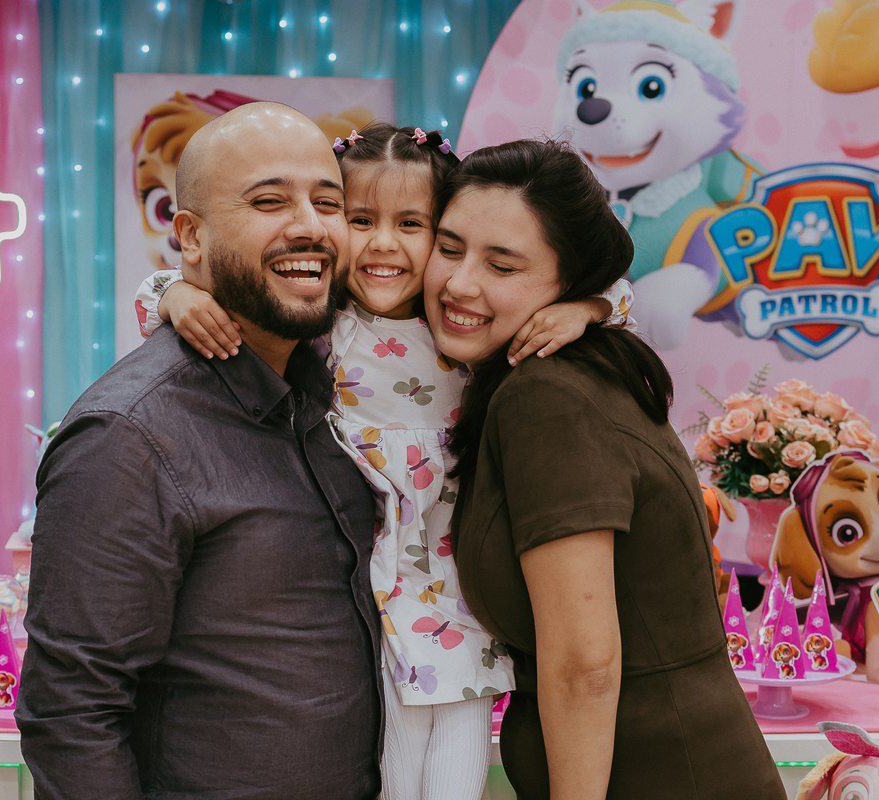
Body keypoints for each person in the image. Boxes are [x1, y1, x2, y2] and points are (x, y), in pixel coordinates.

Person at [134, 123, 633, 800]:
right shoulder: (321, 322)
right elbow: (163, 289)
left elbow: (619, 295)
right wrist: (179, 295)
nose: (383, 244)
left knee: (458, 765)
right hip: (366, 582)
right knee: (392, 769)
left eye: (412, 224)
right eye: (360, 219)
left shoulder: (457, 323)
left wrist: (586, 309)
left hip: (456, 581)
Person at [16, 102, 383, 800]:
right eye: (269, 201)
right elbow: (70, 715)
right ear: (190, 236)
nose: (310, 225)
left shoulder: (337, 391)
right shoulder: (130, 436)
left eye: (329, 202)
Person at [426, 139, 786, 799]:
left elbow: (584, 665)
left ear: (570, 282)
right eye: (448, 249)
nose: (459, 283)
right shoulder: (570, 367)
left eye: (501, 265)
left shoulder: (545, 397)